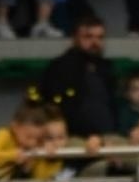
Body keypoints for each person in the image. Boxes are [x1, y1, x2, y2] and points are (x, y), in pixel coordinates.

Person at [37, 12, 114, 142]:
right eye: (88, 37)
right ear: (74, 39)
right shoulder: (59, 67)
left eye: (100, 37)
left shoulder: (106, 67)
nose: (95, 42)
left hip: (107, 138)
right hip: (72, 139)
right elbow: (53, 106)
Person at [0, 98, 44, 182]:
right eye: (29, 137)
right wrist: (13, 155)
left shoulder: (36, 146)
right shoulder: (3, 135)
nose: (33, 143)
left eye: (38, 139)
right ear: (15, 126)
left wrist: (28, 168)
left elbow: (41, 178)